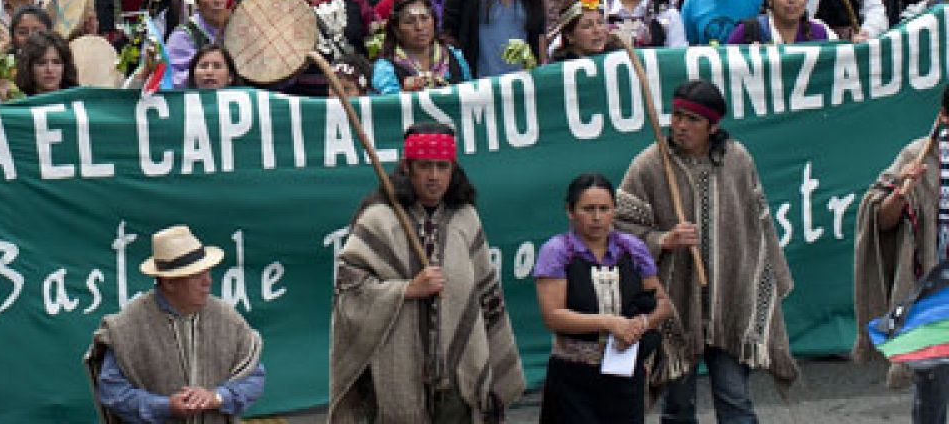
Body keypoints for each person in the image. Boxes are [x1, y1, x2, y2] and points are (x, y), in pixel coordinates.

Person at [614, 79, 798, 420]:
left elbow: (759, 222)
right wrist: (662, 240)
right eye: (677, 115)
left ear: (713, 126)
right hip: (674, 304)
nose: (681, 126)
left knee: (734, 398)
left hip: (730, 300)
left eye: (693, 119)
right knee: (679, 404)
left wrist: (771, 279)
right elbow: (620, 227)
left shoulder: (737, 160)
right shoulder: (650, 164)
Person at [328, 124, 524, 423]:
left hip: (460, 379)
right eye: (424, 166)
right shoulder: (379, 219)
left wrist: (497, 370)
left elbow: (486, 294)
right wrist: (407, 290)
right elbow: (349, 292)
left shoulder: (465, 218)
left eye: (442, 166)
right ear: (407, 168)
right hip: (396, 378)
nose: (434, 176)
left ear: (452, 169)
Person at [87, 225, 265, 422]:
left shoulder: (228, 319)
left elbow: (253, 376)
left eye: (207, 272)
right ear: (169, 282)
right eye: (197, 275)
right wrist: (165, 407)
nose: (208, 281)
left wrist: (217, 397)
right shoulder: (126, 328)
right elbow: (112, 391)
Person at [534, 172, 673, 424]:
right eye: (588, 209)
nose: (597, 218)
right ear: (570, 211)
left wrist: (640, 324)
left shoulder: (632, 248)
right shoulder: (556, 251)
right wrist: (610, 323)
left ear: (614, 211)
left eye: (604, 209)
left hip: (625, 371)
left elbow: (663, 304)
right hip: (573, 376)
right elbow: (553, 316)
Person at [854, 84, 949, 416]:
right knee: (932, 391)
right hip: (935, 293)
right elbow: (880, 219)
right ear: (944, 116)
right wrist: (899, 195)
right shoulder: (918, 155)